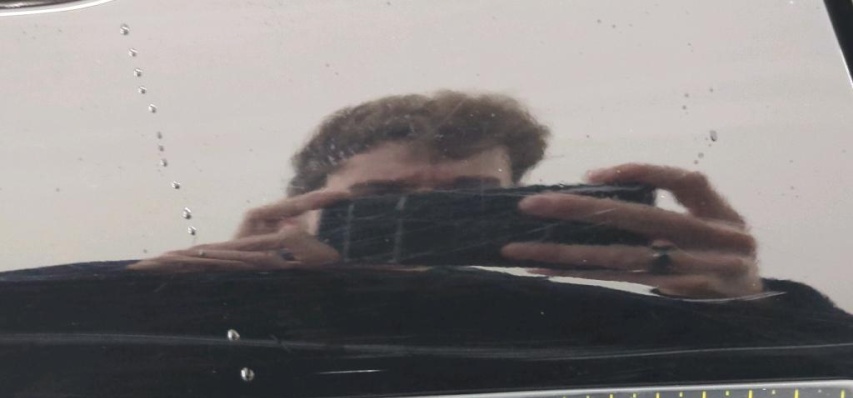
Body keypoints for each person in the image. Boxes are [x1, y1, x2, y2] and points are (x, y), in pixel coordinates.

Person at [131, 90, 762, 299]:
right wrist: (192, 303)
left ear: (532, 205)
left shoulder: (593, 319)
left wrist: (745, 312)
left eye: (470, 198)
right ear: (292, 217)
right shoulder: (223, 314)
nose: (428, 218)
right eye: (381, 200)